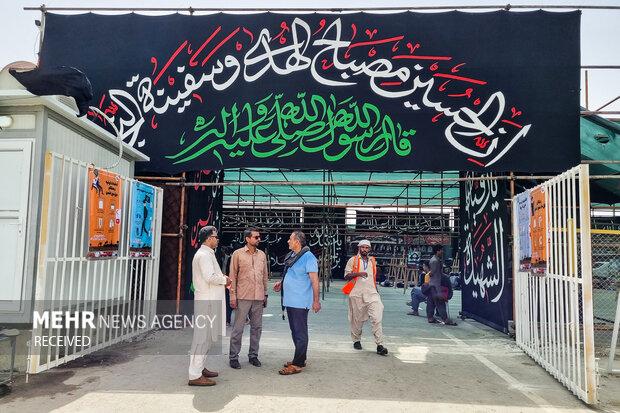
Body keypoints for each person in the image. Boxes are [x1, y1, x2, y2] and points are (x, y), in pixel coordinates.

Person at [188, 226, 231, 386]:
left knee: (206, 338)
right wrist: (225, 280)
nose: (217, 239)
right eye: (216, 237)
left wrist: (222, 278)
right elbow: (210, 277)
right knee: (202, 338)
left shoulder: (207, 254)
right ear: (209, 238)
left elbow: (212, 275)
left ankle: (199, 368)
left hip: (209, 301)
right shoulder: (204, 255)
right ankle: (194, 375)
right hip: (207, 302)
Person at [273, 230, 321, 375]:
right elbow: (291, 274)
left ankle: (298, 364)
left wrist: (316, 301)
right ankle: (300, 358)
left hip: (300, 301)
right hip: (291, 301)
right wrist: (282, 283)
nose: (288, 241)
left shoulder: (308, 257)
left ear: (297, 242)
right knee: (295, 331)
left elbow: (314, 281)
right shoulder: (292, 255)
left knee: (300, 333)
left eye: (290, 239)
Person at [228, 228, 269, 369]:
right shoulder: (237, 254)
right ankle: (233, 357)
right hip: (243, 297)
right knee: (238, 329)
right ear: (247, 239)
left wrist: (265, 294)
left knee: (257, 328)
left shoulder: (262, 255)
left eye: (259, 237)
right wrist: (232, 296)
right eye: (256, 237)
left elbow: (265, 276)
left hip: (258, 297)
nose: (259, 239)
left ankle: (253, 356)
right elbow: (232, 277)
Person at [343, 240, 388, 356]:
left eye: (367, 248)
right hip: (356, 293)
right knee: (357, 320)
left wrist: (376, 291)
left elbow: (373, 278)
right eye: (362, 247)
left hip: (372, 294)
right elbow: (346, 276)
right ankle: (356, 340)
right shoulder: (352, 260)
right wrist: (359, 274)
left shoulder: (372, 261)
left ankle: (380, 345)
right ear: (359, 248)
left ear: (369, 249)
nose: (364, 249)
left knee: (377, 317)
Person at [426, 245, 457, 326]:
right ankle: (445, 319)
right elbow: (432, 273)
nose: (442, 252)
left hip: (432, 284)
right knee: (440, 302)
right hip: (436, 285)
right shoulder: (435, 261)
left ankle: (430, 318)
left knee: (431, 302)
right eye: (441, 250)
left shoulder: (435, 259)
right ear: (437, 251)